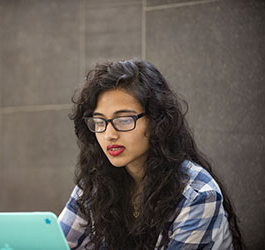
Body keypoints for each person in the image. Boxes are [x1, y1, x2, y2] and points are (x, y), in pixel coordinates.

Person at [58, 59, 245, 250]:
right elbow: (56, 244)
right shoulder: (96, 183)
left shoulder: (197, 195)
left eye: (123, 120)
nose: (109, 135)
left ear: (156, 120)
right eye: (99, 121)